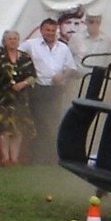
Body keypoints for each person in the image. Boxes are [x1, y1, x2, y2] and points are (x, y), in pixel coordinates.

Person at [19, 18, 77, 164]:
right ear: (41, 30)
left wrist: (63, 76)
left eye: (53, 30)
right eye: (47, 30)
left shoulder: (63, 48)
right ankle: (36, 158)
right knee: (38, 123)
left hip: (56, 90)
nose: (50, 33)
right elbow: (15, 55)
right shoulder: (31, 45)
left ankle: (51, 157)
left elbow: (71, 68)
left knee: (53, 123)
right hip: (38, 89)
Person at [0, 30, 36, 166]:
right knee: (3, 128)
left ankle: (14, 159)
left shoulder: (25, 57)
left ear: (18, 41)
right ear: (5, 41)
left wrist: (22, 84)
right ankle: (5, 158)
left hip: (20, 99)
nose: (12, 41)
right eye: (9, 39)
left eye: (15, 39)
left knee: (17, 129)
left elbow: (32, 76)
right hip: (2, 98)